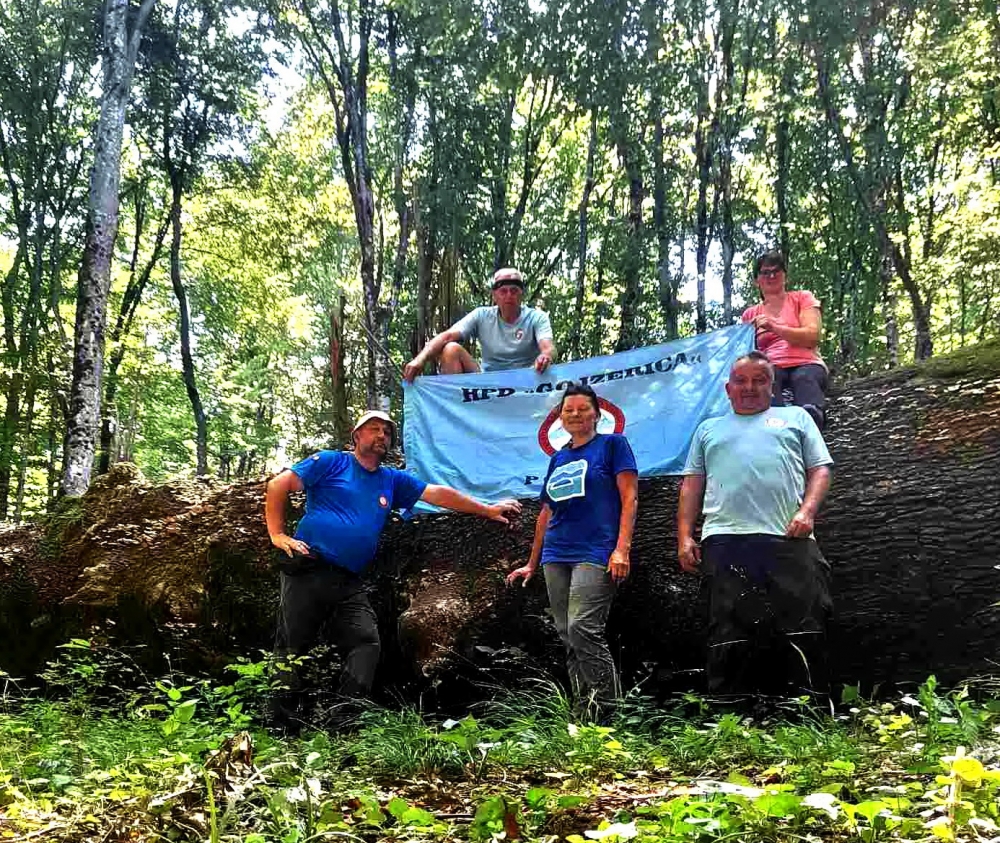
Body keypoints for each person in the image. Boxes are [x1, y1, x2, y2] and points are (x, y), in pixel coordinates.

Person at [265, 410, 522, 729]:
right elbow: (278, 485)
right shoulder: (331, 462)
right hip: (309, 568)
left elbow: (436, 494)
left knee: (366, 642)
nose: (381, 436)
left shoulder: (391, 480)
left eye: (386, 432)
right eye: (373, 429)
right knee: (292, 644)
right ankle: (278, 724)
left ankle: (343, 719)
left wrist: (487, 509)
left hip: (349, 579)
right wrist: (278, 534)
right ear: (356, 436)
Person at [677, 350, 834, 699]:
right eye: (741, 381)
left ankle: (806, 709)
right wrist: (685, 536)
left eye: (759, 380)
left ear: (772, 386)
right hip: (724, 539)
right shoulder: (708, 429)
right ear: (728, 387)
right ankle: (731, 712)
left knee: (804, 624)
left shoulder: (795, 418)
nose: (749, 387)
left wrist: (807, 512)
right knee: (728, 627)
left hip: (789, 537)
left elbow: (820, 469)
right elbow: (692, 483)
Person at [507, 383, 638, 720]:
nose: (576, 414)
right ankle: (583, 715)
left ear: (597, 413)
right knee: (567, 635)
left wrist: (621, 549)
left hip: (596, 550)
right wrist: (531, 563)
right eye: (569, 410)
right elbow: (546, 513)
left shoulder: (613, 445)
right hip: (556, 552)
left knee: (583, 628)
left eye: (583, 408)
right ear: (560, 418)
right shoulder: (559, 458)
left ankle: (608, 717)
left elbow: (629, 498)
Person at [403, 267, 556, 379]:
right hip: (487, 382)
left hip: (527, 380)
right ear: (494, 295)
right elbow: (447, 336)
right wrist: (419, 359)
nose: (509, 296)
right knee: (451, 349)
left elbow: (548, 348)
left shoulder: (537, 317)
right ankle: (456, 411)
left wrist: (545, 356)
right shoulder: (482, 315)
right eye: (503, 291)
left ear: (521, 294)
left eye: (514, 290)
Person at [741, 250, 828, 429]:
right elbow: (746, 354)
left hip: (806, 362)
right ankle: (776, 427)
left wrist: (775, 328)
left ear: (785, 276)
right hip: (771, 366)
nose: (771, 275)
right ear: (756, 280)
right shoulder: (750, 314)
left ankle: (811, 423)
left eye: (777, 270)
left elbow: (812, 336)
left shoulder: (802, 298)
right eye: (765, 272)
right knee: (765, 379)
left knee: (804, 377)